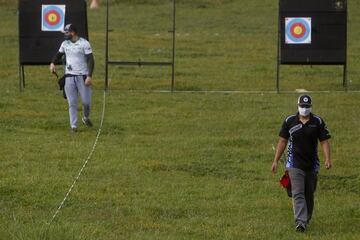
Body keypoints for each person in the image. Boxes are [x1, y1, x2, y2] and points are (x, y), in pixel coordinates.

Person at [271, 94, 332, 232]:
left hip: (311, 165)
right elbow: (282, 141)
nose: (304, 109)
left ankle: (306, 218)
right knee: (298, 192)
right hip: (294, 164)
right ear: (298, 106)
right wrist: (275, 160)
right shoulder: (289, 121)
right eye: (302, 106)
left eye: (307, 106)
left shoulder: (318, 122)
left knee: (308, 194)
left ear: (311, 107)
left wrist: (328, 159)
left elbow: (324, 142)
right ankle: (300, 222)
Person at [50, 23, 95, 132]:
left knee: (86, 102)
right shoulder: (64, 44)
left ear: (73, 33)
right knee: (72, 102)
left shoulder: (84, 43)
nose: (65, 35)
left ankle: (85, 117)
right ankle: (73, 126)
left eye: (67, 32)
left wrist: (89, 76)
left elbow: (91, 60)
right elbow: (58, 55)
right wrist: (52, 63)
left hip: (83, 76)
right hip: (69, 76)